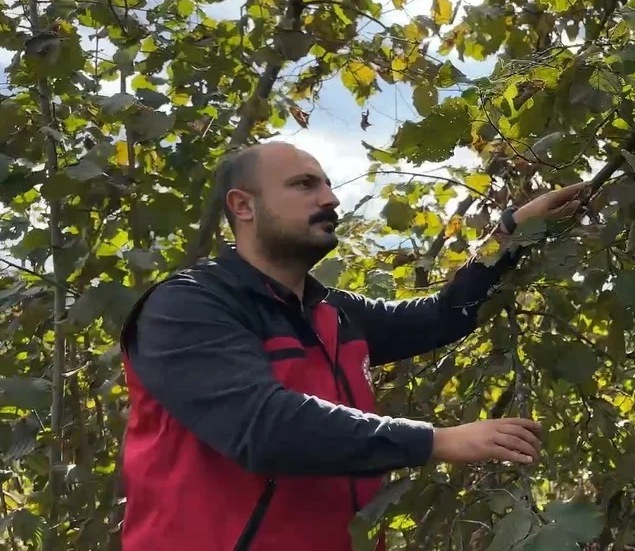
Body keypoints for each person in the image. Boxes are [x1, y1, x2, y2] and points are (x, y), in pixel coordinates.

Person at [118, 142, 586, 551]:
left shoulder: (333, 313)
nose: (331, 199)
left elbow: (442, 315)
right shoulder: (189, 306)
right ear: (243, 206)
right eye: (304, 185)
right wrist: (435, 440)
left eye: (327, 184)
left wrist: (511, 231)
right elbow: (261, 427)